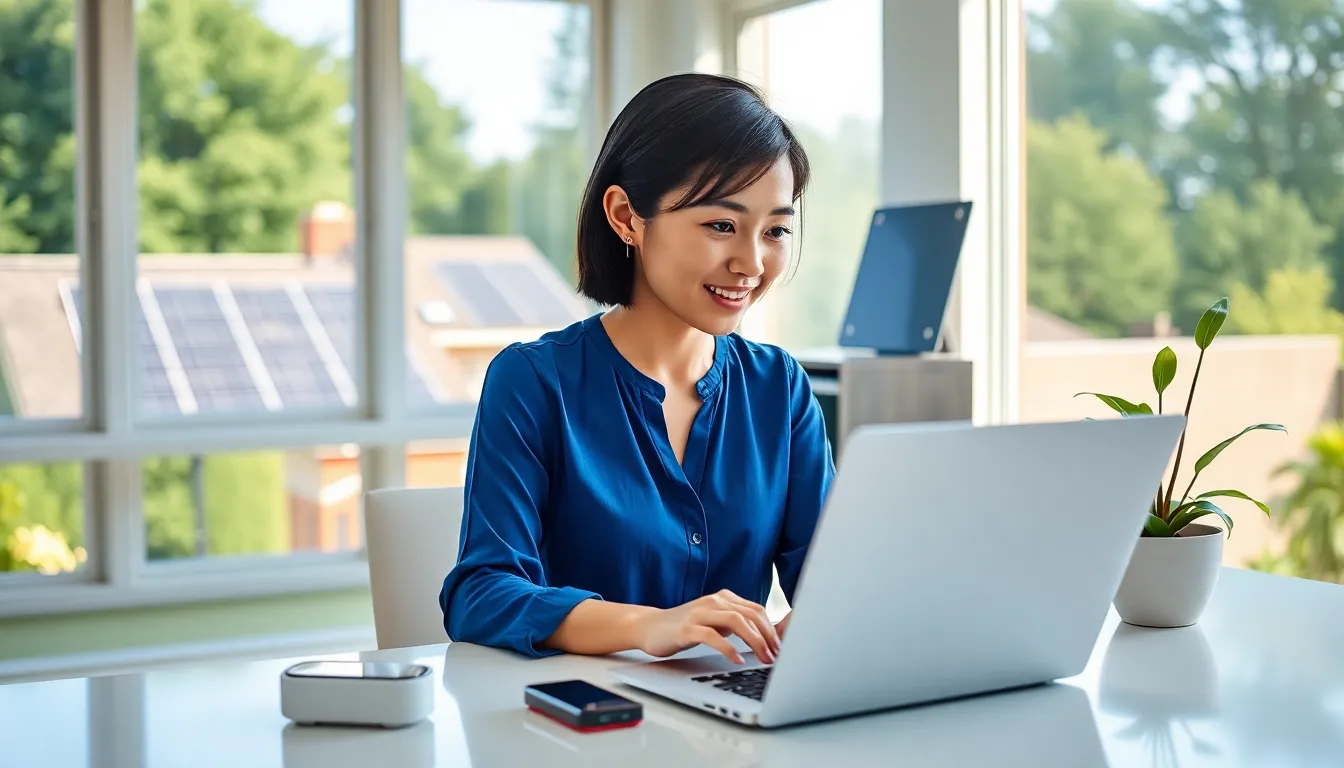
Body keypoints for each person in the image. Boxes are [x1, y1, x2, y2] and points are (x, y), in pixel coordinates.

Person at [438, 72, 835, 666]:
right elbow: (481, 593)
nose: (750, 262)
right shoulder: (533, 382)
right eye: (720, 225)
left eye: (775, 230)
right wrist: (648, 626)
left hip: (733, 730)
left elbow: (835, 581)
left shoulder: (779, 388)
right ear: (627, 216)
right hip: (580, 730)